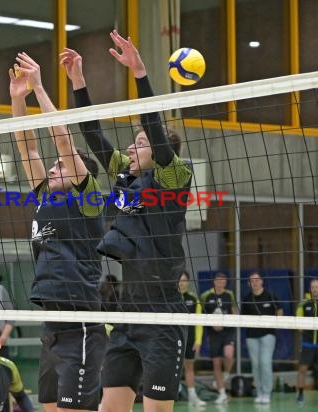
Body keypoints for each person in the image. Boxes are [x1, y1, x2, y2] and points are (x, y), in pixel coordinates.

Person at [60, 30, 192, 412]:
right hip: (126, 313)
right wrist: (79, 83)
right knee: (109, 408)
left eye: (140, 143)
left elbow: (153, 126)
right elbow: (93, 134)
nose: (131, 147)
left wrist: (140, 72)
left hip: (163, 314)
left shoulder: (173, 177)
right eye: (132, 142)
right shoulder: (125, 176)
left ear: (160, 150)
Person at [9, 52, 107, 412]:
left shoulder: (89, 199)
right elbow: (27, 146)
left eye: (60, 167)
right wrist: (18, 99)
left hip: (80, 322)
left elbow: (62, 140)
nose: (53, 169)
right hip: (51, 323)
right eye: (51, 167)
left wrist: (39, 88)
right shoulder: (44, 198)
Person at [240, 271, 283, 404]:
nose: (255, 282)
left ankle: (267, 392)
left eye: (257, 280)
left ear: (261, 281)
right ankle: (259, 392)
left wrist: (278, 322)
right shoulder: (247, 299)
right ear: (249, 284)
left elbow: (279, 309)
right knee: (256, 365)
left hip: (268, 334)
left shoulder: (270, 295)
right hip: (252, 336)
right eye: (252, 281)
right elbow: (243, 317)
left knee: (265, 363)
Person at [200, 272, 238, 404]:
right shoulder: (206, 295)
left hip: (228, 330)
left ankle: (225, 375)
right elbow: (201, 314)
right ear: (214, 282)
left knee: (229, 355)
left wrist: (232, 319)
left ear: (225, 282)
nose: (221, 282)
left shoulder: (229, 294)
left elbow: (234, 311)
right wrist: (212, 323)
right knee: (216, 362)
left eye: (223, 280)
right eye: (219, 280)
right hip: (213, 333)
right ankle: (222, 393)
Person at [295, 278, 318, 406]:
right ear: (310, 289)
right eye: (313, 287)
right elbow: (298, 323)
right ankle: (300, 394)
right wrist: (305, 330)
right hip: (307, 342)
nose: (315, 289)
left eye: (317, 287)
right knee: (302, 369)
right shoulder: (303, 303)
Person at [178, 271, 205, 407]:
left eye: (184, 280)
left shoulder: (194, 299)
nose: (181, 283)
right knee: (171, 368)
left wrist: (198, 340)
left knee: (189, 367)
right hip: (174, 339)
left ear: (188, 282)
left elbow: (199, 321)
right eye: (179, 280)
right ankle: (170, 395)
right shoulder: (171, 298)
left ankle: (192, 396)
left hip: (190, 338)